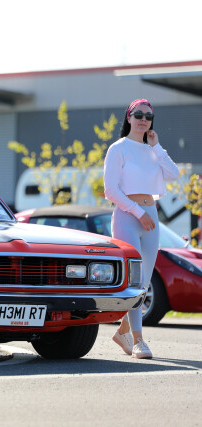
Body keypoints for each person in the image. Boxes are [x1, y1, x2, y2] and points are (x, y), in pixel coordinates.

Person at [104, 98, 180, 359]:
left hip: (151, 215)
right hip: (127, 217)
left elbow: (173, 174)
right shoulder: (118, 148)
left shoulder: (152, 150)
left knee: (144, 282)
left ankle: (122, 332)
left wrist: (157, 146)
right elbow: (111, 190)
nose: (143, 119)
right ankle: (138, 340)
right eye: (138, 114)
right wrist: (138, 212)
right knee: (135, 280)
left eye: (148, 116)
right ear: (129, 117)